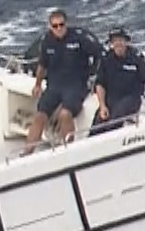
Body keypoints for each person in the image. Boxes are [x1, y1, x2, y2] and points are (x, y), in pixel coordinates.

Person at [24, 8, 103, 149]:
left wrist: (93, 77)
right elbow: (42, 65)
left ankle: (68, 150)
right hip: (54, 86)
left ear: (66, 24)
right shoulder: (47, 41)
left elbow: (99, 54)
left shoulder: (79, 38)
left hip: (76, 86)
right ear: (50, 27)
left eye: (61, 25)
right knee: (39, 116)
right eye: (55, 26)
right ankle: (26, 153)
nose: (59, 28)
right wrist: (37, 85)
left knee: (64, 114)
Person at [92, 26, 145, 132]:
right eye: (115, 41)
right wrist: (102, 106)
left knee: (115, 120)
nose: (118, 44)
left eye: (121, 40)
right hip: (111, 100)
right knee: (96, 127)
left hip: (132, 98)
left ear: (126, 41)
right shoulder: (106, 58)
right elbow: (100, 84)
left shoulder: (136, 57)